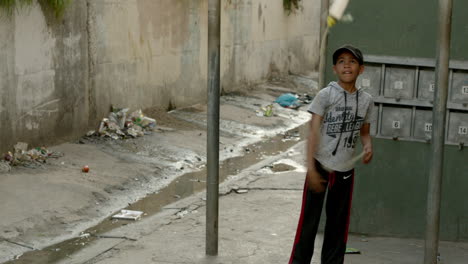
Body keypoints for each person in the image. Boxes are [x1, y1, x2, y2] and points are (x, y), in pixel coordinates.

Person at [289, 44, 374, 264]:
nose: (347, 65)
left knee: (338, 224)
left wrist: (367, 145)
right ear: (334, 68)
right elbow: (313, 132)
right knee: (309, 223)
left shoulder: (366, 100)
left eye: (352, 61)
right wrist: (311, 169)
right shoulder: (326, 95)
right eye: (341, 61)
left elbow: (364, 129)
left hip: (345, 170)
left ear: (361, 69)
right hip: (320, 165)